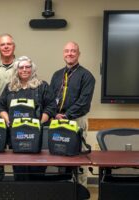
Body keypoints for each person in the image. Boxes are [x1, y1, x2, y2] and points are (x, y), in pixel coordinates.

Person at [0, 56, 56, 180]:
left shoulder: (42, 86)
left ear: (32, 69)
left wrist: (40, 122)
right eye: (21, 67)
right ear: (17, 70)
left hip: (37, 137)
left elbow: (51, 107)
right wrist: (8, 120)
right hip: (16, 137)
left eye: (27, 67)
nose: (24, 69)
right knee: (20, 174)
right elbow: (1, 107)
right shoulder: (10, 87)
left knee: (37, 175)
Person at [50, 41, 95, 186]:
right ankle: (63, 188)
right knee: (60, 153)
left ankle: (81, 190)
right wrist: (55, 114)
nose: (69, 53)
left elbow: (84, 102)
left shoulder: (87, 76)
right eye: (67, 51)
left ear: (78, 54)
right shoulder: (57, 75)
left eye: (73, 51)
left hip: (76, 120)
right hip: (58, 120)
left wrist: (67, 115)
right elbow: (51, 98)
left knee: (79, 156)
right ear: (63, 54)